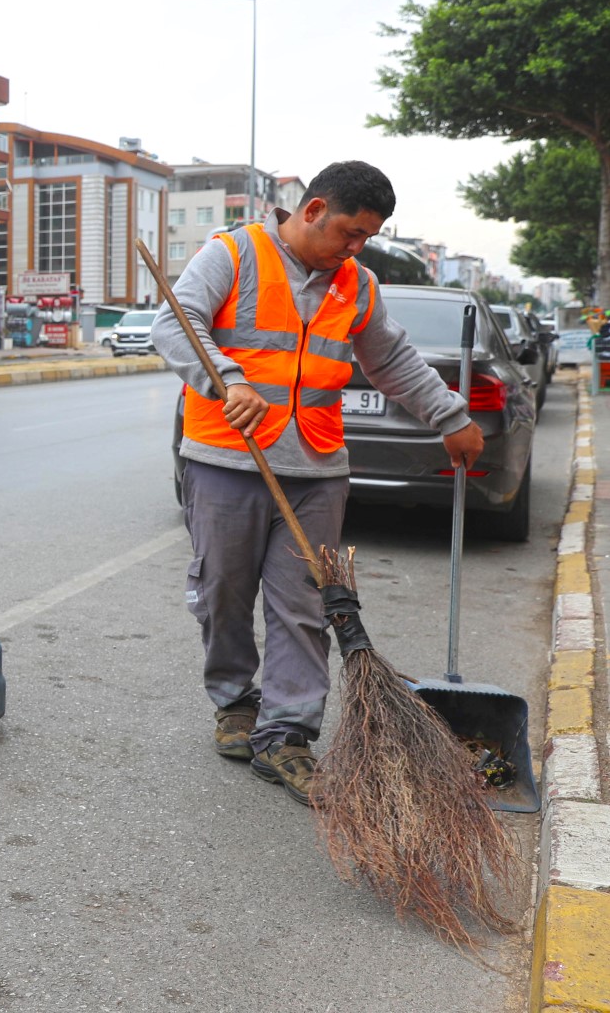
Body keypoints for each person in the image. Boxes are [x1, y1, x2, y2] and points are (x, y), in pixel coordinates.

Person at [151, 160, 483, 806]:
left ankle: (288, 735)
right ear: (312, 210)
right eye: (349, 233)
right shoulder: (234, 255)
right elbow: (176, 323)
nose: (354, 248)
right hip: (228, 460)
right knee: (222, 592)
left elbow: (390, 360)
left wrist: (451, 416)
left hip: (317, 470)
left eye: (366, 238)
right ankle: (234, 702)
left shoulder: (356, 284)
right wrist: (228, 379)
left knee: (303, 605)